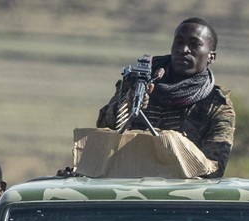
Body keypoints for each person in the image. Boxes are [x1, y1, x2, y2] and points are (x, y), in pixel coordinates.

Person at [96, 17, 235, 178]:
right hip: (126, 182)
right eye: (179, 42)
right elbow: (102, 130)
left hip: (178, 193)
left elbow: (214, 167)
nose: (184, 49)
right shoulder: (139, 82)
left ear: (211, 56)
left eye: (194, 44)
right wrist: (127, 105)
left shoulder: (216, 104)